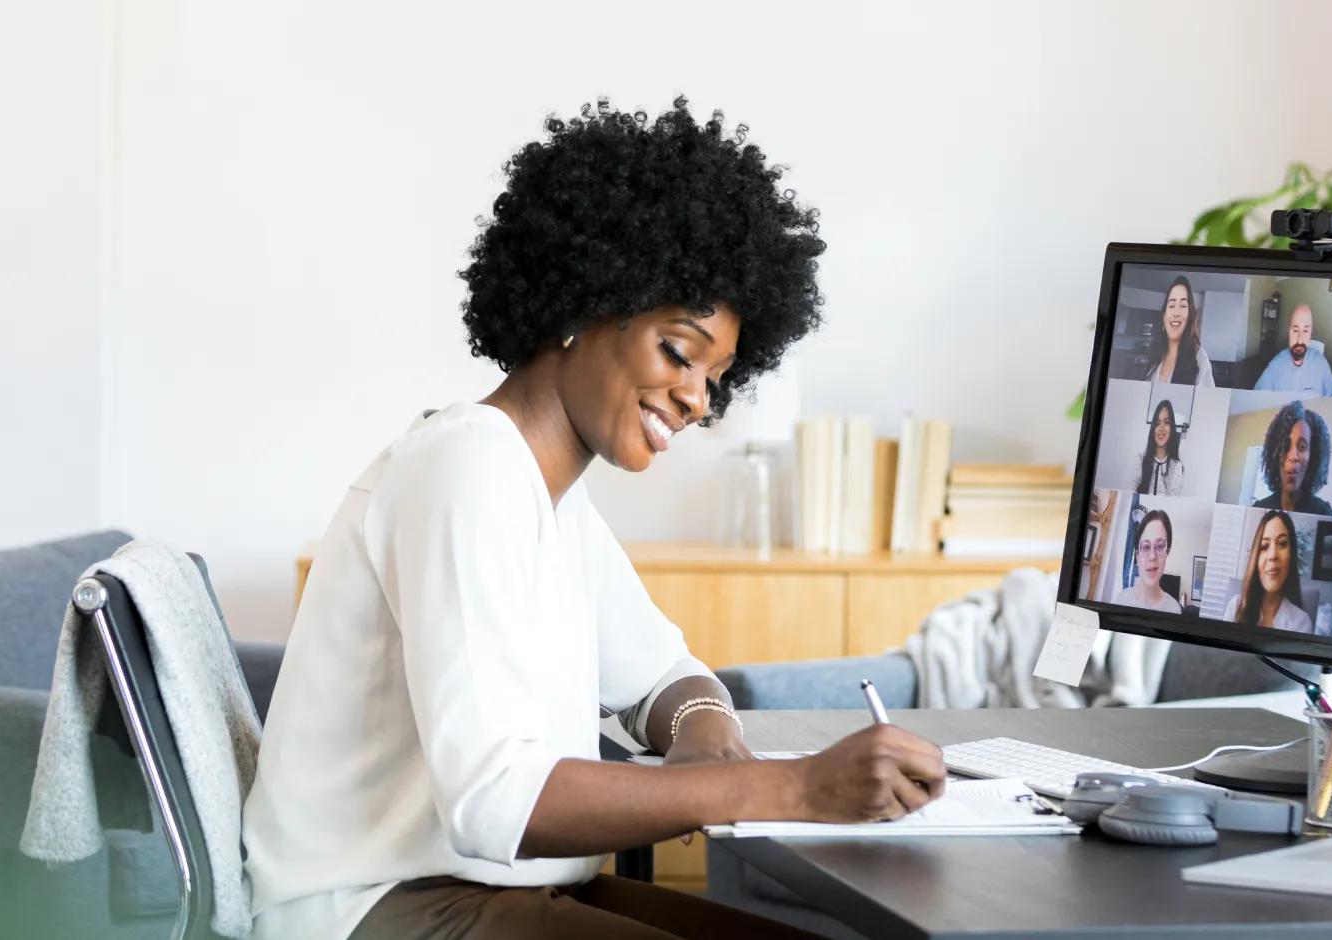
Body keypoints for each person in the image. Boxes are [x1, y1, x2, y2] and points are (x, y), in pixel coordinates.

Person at [242, 98, 945, 940]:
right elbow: (497, 803)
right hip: (380, 909)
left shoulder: (549, 496)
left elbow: (666, 675)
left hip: (497, 895)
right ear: (583, 305)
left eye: (717, 379)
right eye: (680, 353)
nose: (697, 399)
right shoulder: (466, 468)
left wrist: (702, 733)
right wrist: (790, 789)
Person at [1223, 510, 1313, 633]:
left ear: (1291, 555)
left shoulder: (1301, 622)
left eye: (1282, 544)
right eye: (1264, 547)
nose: (1273, 555)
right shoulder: (1235, 607)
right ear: (1256, 558)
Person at [1251, 400, 1332, 516]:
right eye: (1286, 446)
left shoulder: (1324, 513)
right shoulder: (1258, 510)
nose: (1292, 456)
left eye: (1301, 447)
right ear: (1275, 453)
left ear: (1313, 457)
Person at [1253, 303, 1332, 396]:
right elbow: (1257, 397)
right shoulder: (1276, 365)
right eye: (1295, 331)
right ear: (1289, 332)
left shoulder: (1321, 364)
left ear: (1311, 333)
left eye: (1305, 331)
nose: (1299, 340)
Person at [1143, 275, 1216, 387]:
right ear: (1164, 316)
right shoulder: (1156, 353)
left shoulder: (1200, 359)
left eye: (1182, 306)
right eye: (1171, 305)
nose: (1176, 313)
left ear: (1189, 316)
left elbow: (1207, 403)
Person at [1113, 510, 1184, 613]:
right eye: (1146, 547)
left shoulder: (1174, 610)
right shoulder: (1119, 602)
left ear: (1167, 553)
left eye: (1160, 546)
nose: (1152, 557)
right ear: (1137, 556)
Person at [1133, 400, 1186, 495]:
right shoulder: (1140, 460)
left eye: (1166, 422)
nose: (1161, 428)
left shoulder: (1177, 466)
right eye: (1157, 423)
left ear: (1172, 428)